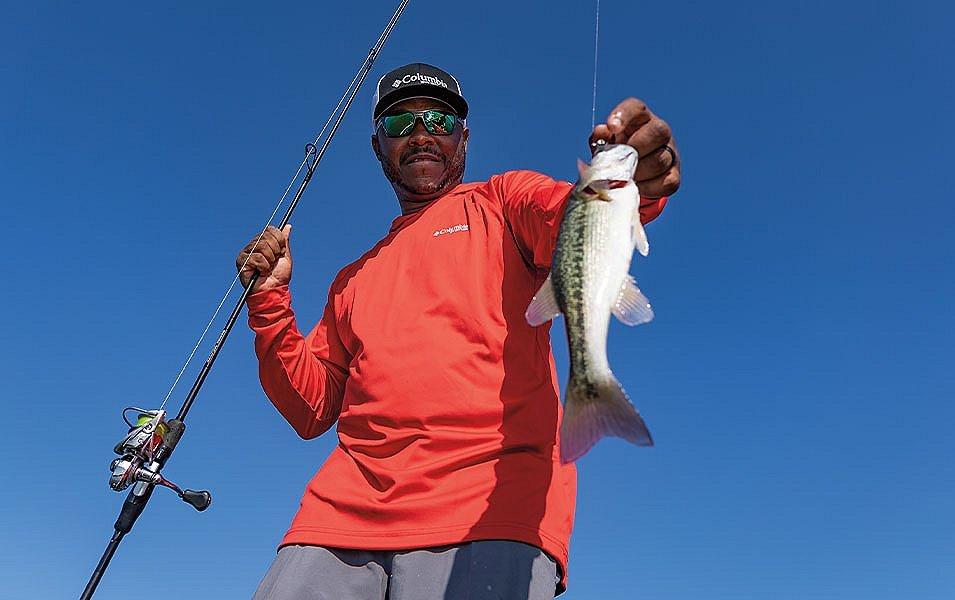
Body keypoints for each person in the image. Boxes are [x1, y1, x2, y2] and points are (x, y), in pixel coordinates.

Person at [238, 63, 681, 599]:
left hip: (490, 511)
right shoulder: (350, 279)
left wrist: (640, 181)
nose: (421, 134)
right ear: (378, 147)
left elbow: (574, 217)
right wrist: (268, 302)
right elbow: (310, 408)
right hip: (335, 522)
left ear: (463, 138)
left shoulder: (505, 200)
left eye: (439, 120)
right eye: (399, 123)